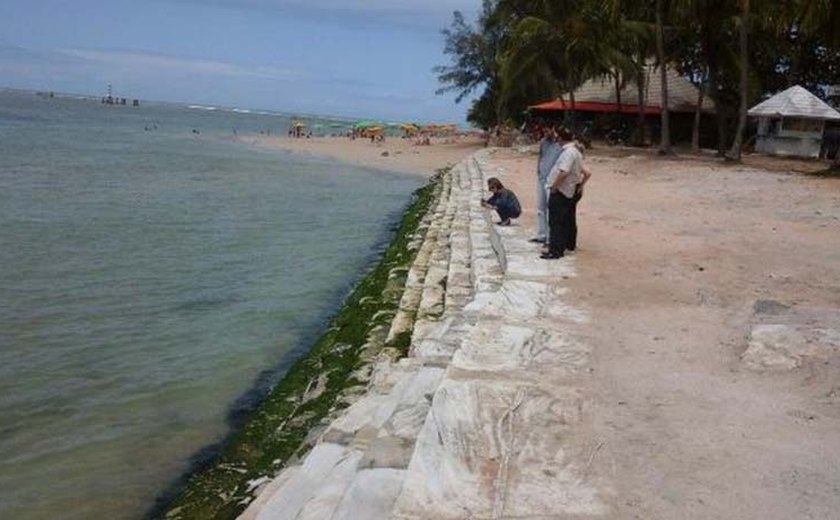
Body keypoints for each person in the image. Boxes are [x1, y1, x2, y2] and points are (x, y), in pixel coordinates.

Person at [541, 128, 582, 259]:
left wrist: (554, 186)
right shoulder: (575, 151)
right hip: (568, 190)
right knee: (566, 220)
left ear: (561, 138)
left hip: (561, 191)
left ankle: (555, 250)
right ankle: (565, 245)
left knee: (556, 221)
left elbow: (564, 172)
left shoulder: (568, 153)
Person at [533, 125, 563, 244]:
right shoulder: (543, 142)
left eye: (547, 130)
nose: (545, 133)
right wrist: (538, 168)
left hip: (552, 179)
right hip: (542, 177)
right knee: (541, 207)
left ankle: (551, 237)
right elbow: (540, 155)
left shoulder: (560, 144)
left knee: (551, 208)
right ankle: (542, 234)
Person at [567, 141, 592, 252]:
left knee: (569, 217)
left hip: (575, 189)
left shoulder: (578, 161)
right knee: (571, 216)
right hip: (577, 189)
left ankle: (570, 243)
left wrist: (581, 185)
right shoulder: (580, 160)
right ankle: (571, 243)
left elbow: (588, 173)